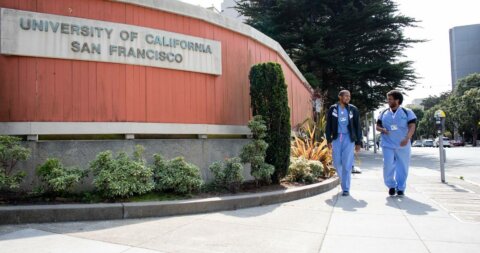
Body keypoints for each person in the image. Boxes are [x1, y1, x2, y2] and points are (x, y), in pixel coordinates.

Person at [376, 90, 417, 197]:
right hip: (387, 144)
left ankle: (401, 188)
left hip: (403, 144)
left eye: (390, 99)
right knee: (388, 165)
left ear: (397, 100)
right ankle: (391, 186)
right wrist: (382, 130)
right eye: (388, 99)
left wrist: (407, 138)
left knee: (402, 167)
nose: (388, 101)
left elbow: (412, 126)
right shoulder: (383, 113)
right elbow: (377, 127)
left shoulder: (407, 112)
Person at [326, 90, 362, 196]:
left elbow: (357, 126)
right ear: (340, 97)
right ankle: (343, 180)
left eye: (349, 96)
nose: (348, 98)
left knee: (347, 164)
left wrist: (358, 142)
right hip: (336, 138)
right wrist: (328, 139)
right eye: (346, 96)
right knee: (336, 163)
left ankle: (346, 188)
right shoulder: (333, 108)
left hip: (349, 139)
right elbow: (328, 125)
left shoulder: (353, 109)